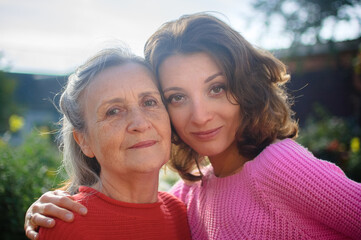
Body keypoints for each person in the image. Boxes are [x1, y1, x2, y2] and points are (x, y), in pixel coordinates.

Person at [25, 13, 361, 240]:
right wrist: (44, 209)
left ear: (244, 88)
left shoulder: (280, 165)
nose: (200, 116)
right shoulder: (186, 200)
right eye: (177, 97)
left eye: (216, 88)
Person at [33, 47, 191, 240]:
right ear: (84, 141)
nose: (140, 124)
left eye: (149, 102)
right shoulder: (65, 224)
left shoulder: (180, 213)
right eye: (113, 111)